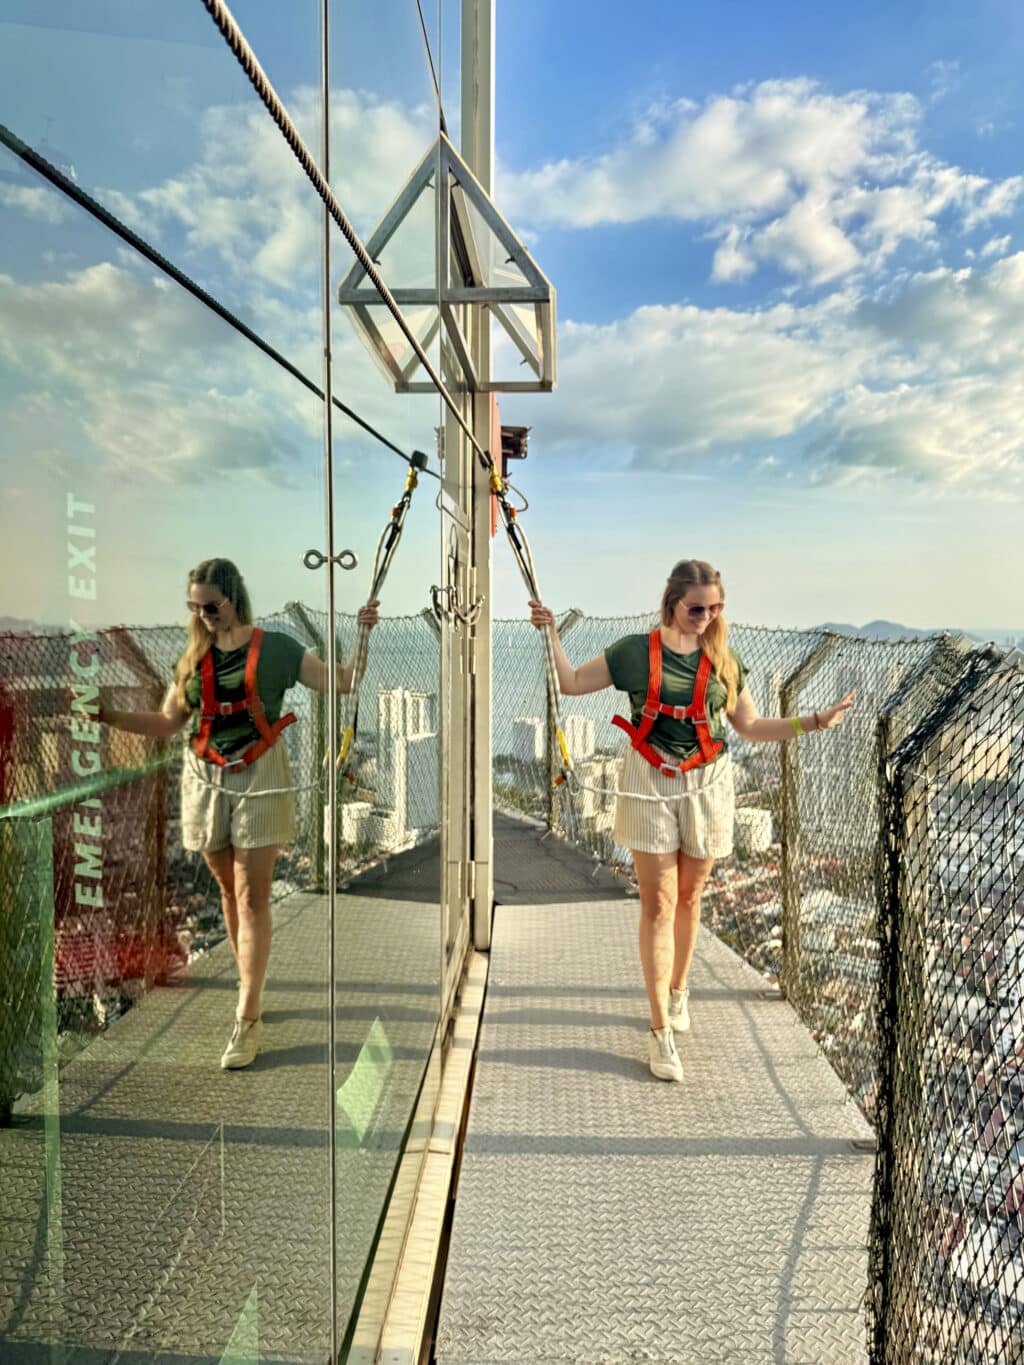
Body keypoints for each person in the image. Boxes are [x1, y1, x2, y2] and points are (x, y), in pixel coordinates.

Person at [529, 558, 856, 1083]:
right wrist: (550, 635)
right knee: (657, 901)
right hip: (650, 780)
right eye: (697, 608)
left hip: (707, 782)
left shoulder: (723, 658)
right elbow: (569, 683)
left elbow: (748, 725)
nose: (707, 616)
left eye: (715, 607)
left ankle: (679, 992)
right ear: (672, 604)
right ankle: (660, 1031)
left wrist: (813, 721)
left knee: (689, 895)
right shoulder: (635, 653)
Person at [97, 557, 378, 1070]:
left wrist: (361, 636)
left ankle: (247, 1017)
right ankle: (252, 986)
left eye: (211, 605)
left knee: (251, 894)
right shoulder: (191, 661)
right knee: (228, 891)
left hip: (259, 774)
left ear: (233, 600)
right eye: (194, 607)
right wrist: (104, 711)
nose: (202, 615)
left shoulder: (277, 650)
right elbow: (167, 724)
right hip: (205, 777)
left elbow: (343, 682)